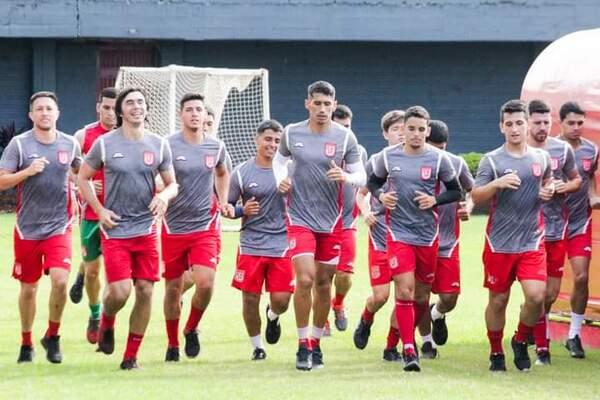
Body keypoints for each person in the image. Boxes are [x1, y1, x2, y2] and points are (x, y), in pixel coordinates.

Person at [78, 87, 178, 370]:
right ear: (120, 111)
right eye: (131, 103)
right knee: (120, 292)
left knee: (146, 290)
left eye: (141, 102)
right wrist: (99, 210)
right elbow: (83, 179)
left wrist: (163, 196)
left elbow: (172, 184)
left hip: (146, 229)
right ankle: (107, 322)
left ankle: (131, 356)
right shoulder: (105, 144)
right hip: (115, 229)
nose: (137, 107)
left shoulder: (159, 144)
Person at [273, 81, 366, 370]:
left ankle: (315, 343)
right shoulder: (291, 132)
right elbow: (279, 161)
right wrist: (280, 179)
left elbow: (361, 175)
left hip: (332, 221)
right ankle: (301, 345)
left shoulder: (345, 138)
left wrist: (347, 178)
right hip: (299, 217)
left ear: (334, 105)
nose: (323, 109)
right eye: (317, 103)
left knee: (325, 283)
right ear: (307, 104)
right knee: (304, 280)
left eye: (328, 104)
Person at [368, 105, 461, 372]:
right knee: (405, 289)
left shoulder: (439, 160)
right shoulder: (387, 157)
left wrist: (435, 199)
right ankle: (409, 349)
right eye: (411, 129)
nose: (416, 134)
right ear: (404, 130)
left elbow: (456, 192)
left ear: (427, 131)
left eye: (421, 130)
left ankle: (398, 340)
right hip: (398, 234)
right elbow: (373, 183)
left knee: (421, 296)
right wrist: (381, 196)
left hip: (428, 237)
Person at [472, 99, 554, 372]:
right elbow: (476, 195)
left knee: (536, 296)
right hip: (500, 242)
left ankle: (520, 339)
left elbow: (548, 181)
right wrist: (496, 183)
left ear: (527, 124)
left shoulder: (541, 158)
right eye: (509, 124)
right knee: (498, 300)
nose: (515, 128)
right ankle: (496, 352)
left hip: (531, 239)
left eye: (520, 122)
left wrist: (548, 190)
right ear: (501, 127)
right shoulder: (492, 160)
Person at [0, 91, 82, 364]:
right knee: (29, 289)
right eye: (39, 109)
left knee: (60, 280)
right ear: (31, 115)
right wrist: (27, 172)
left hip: (60, 225)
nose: (45, 113)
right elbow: (2, 182)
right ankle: (26, 342)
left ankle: (53, 336)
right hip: (27, 229)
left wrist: (87, 184)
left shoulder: (70, 144)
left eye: (49, 108)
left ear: (57, 113)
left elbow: (79, 173)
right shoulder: (19, 145)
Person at [161, 93, 232, 362]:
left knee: (205, 284)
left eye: (198, 110)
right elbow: (158, 176)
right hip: (173, 226)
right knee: (172, 289)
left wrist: (223, 200)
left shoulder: (215, 146)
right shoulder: (167, 145)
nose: (194, 114)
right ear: (181, 114)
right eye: (189, 109)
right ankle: (172, 343)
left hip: (205, 225)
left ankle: (191, 327)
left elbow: (223, 173)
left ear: (205, 116)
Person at [228, 119, 294, 360]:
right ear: (257, 140)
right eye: (268, 139)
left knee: (282, 300)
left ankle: (273, 316)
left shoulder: (291, 170)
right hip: (251, 244)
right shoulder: (241, 172)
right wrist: (241, 210)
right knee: (250, 298)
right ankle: (257, 346)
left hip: (283, 243)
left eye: (278, 141)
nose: (273, 145)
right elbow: (228, 207)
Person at [525, 99, 581, 365]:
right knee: (535, 293)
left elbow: (577, 180)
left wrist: (562, 187)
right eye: (537, 122)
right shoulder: (518, 153)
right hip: (526, 234)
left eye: (546, 122)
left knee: (549, 294)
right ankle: (541, 348)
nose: (543, 127)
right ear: (527, 123)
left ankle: (529, 326)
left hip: (557, 231)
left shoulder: (562, 150)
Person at [417, 120, 474, 359]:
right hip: (418, 239)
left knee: (450, 298)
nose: (437, 153)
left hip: (448, 241)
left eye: (441, 147)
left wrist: (468, 207)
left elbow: (471, 190)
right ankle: (427, 342)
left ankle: (438, 314)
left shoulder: (456, 164)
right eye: (433, 147)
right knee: (420, 295)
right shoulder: (414, 165)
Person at [353, 110, 406, 361]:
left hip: (409, 239)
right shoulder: (377, 161)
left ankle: (391, 346)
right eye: (396, 129)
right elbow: (361, 194)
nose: (402, 133)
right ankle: (366, 318)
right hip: (381, 239)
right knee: (382, 296)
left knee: (406, 296)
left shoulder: (419, 160)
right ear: (385, 134)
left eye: (405, 128)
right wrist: (366, 213)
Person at [68, 87, 118, 345]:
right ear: (98, 107)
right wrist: (81, 183)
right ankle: (94, 314)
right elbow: (70, 170)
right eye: (106, 107)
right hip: (92, 212)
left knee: (115, 273)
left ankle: (107, 323)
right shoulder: (83, 135)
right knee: (93, 272)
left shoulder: (130, 135)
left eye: (114, 108)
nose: (110, 113)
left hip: (123, 214)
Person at [558, 101, 600, 359]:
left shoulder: (590, 151)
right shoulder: (548, 149)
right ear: (560, 123)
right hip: (549, 224)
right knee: (547, 289)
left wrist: (593, 197)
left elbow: (590, 179)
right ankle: (536, 332)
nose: (576, 128)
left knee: (582, 277)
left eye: (579, 123)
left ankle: (573, 334)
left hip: (579, 223)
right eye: (571, 123)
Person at [329, 104, 368, 333]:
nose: (345, 132)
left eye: (348, 127)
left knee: (344, 274)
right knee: (320, 276)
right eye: (341, 127)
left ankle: (339, 303)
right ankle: (321, 320)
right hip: (318, 222)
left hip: (347, 222)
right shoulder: (316, 149)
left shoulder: (358, 151)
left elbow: (363, 182)